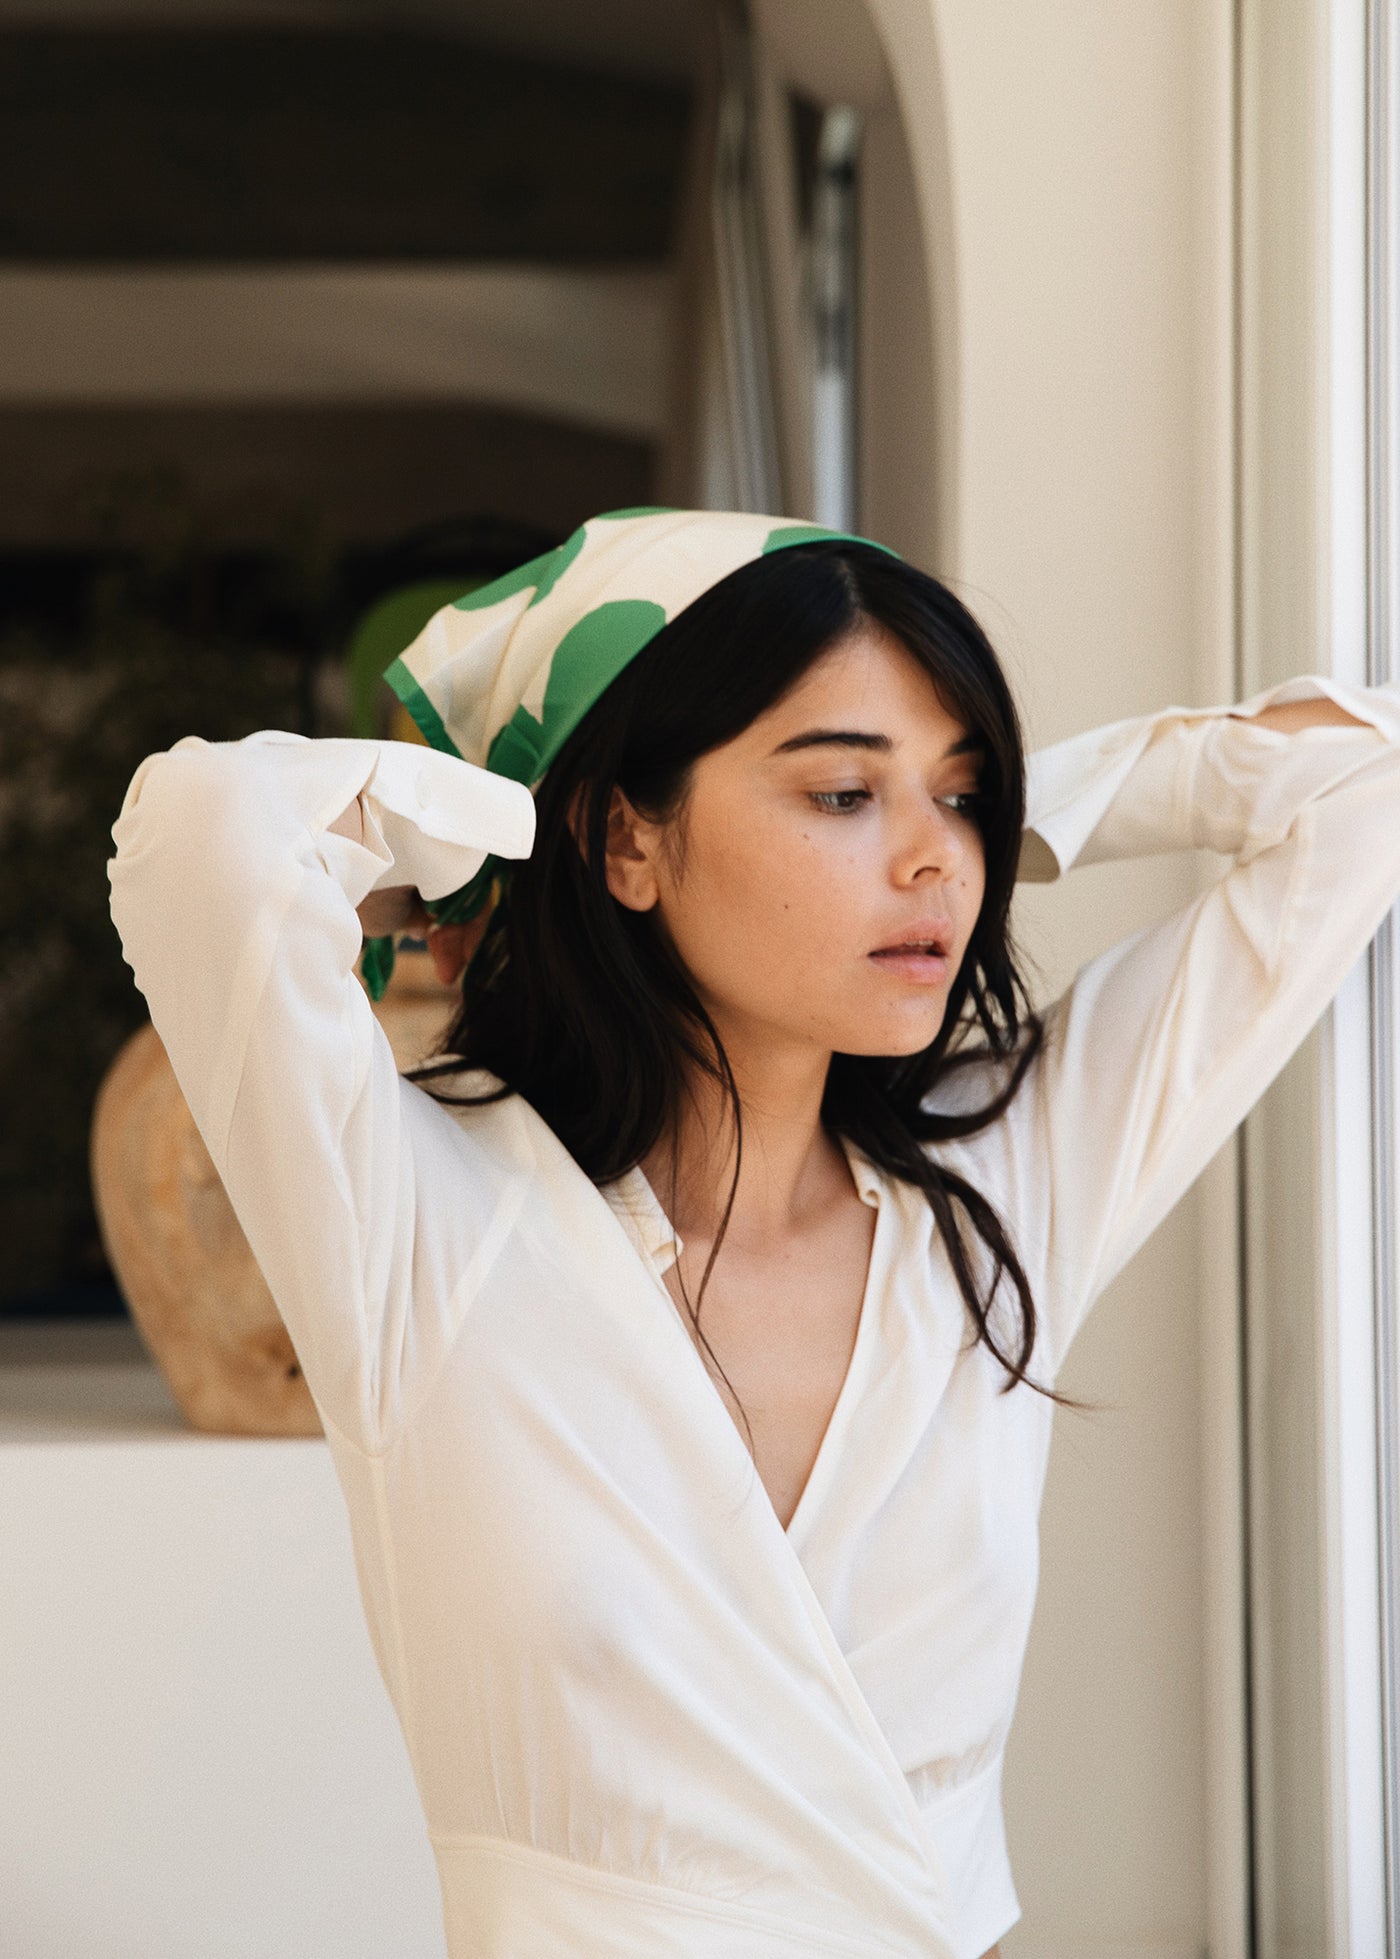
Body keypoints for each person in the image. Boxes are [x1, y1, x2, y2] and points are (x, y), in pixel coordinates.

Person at [107, 507, 1400, 1959]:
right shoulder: (428, 1226)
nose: (937, 864)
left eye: (959, 797)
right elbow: (201, 838)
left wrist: (1024, 812)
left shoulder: (1002, 1187)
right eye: (845, 792)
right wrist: (507, 830)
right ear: (629, 838)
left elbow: (1363, 785)